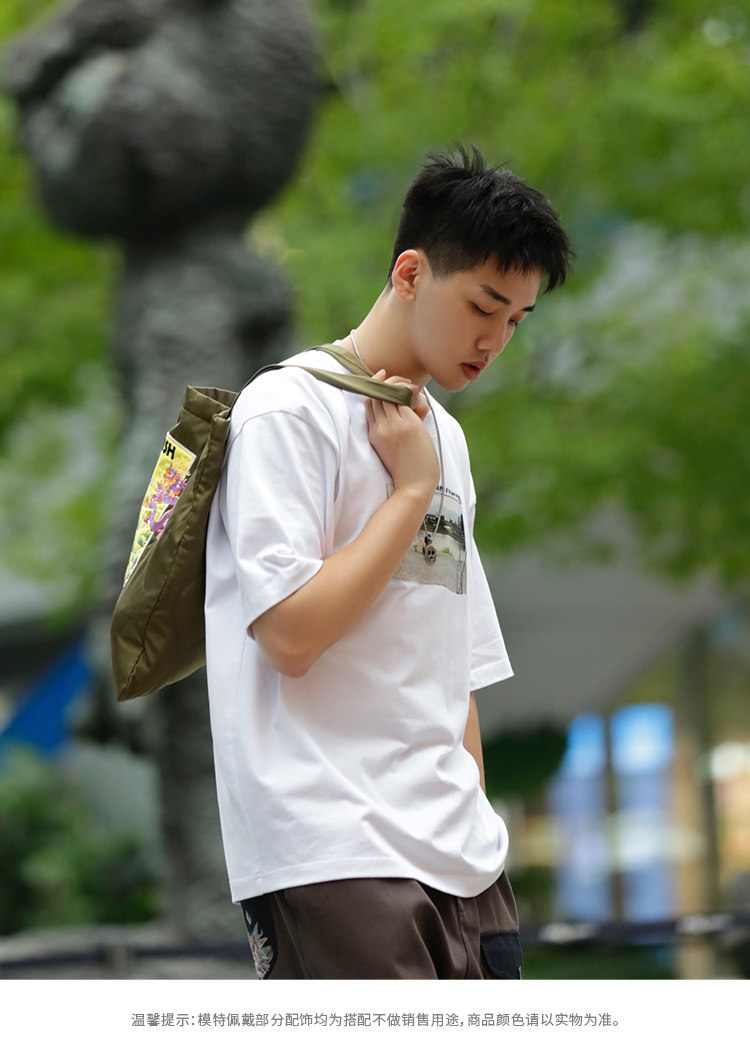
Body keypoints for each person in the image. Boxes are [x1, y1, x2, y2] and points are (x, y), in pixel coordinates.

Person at [204, 144, 573, 979]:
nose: (495, 339)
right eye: (483, 305)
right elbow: (289, 636)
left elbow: (456, 664)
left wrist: (475, 826)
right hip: (334, 851)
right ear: (410, 273)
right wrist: (410, 494)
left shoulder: (445, 436)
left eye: (517, 320)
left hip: (463, 858)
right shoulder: (286, 410)